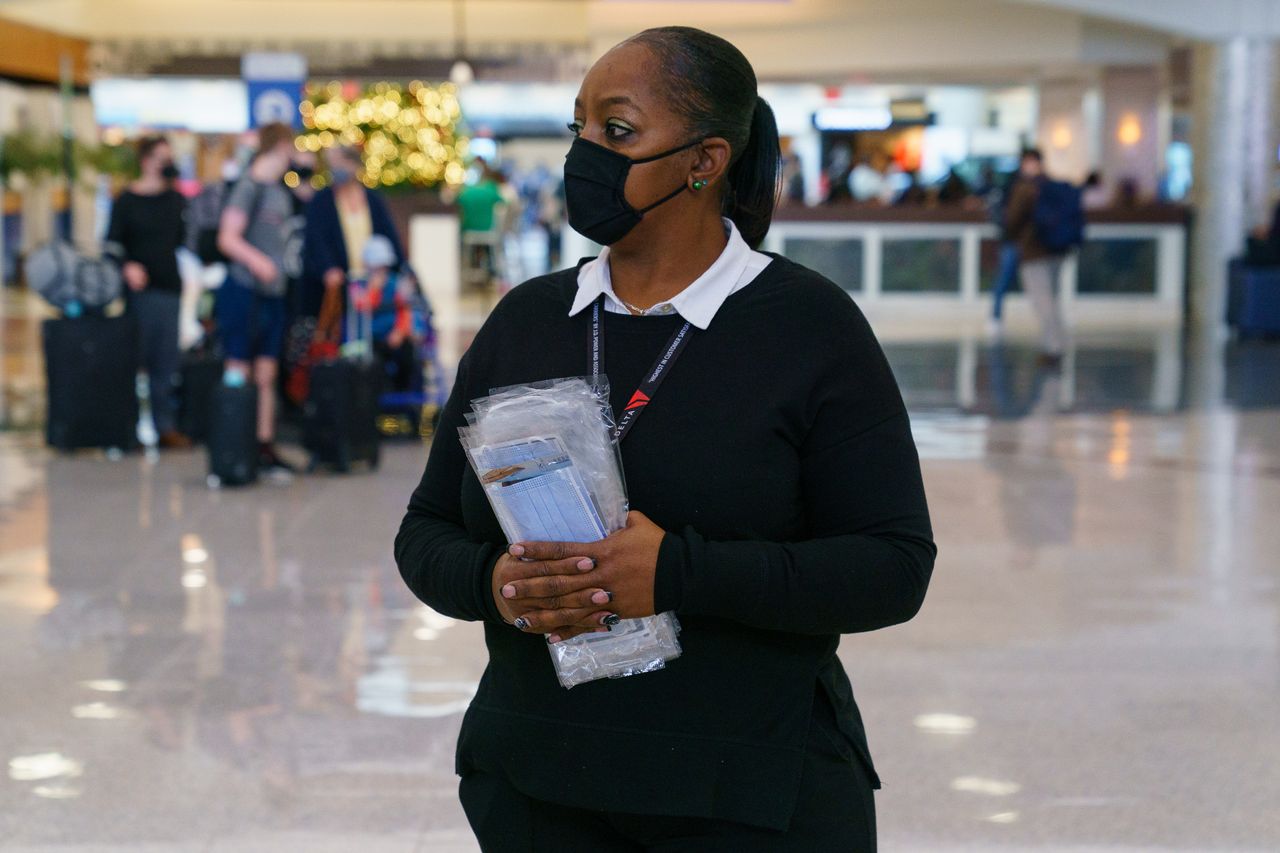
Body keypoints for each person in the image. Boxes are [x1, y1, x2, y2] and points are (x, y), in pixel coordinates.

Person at [395, 26, 935, 852]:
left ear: (704, 159)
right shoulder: (527, 321)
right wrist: (498, 582)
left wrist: (680, 571)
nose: (585, 154)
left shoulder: (807, 326)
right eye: (579, 127)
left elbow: (891, 568)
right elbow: (425, 530)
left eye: (616, 131)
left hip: (747, 791)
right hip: (540, 784)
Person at [215, 122, 301, 476]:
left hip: (273, 295)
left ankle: (264, 445)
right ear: (281, 146)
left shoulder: (280, 193)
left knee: (267, 371)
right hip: (244, 292)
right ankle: (234, 443)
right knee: (238, 366)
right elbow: (227, 238)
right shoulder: (247, 188)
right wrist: (257, 261)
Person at [104, 135, 192, 450]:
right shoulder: (126, 200)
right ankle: (128, 429)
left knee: (166, 361)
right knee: (134, 359)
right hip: (139, 293)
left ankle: (165, 425)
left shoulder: (175, 200)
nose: (166, 164)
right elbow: (111, 245)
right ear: (146, 161)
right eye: (161, 157)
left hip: (169, 288)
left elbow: (185, 241)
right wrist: (127, 266)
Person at [301, 145, 406, 319]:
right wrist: (328, 269)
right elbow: (315, 240)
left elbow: (388, 235)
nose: (337, 169)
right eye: (333, 164)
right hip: (340, 283)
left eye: (341, 163)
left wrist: (388, 269)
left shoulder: (373, 199)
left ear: (355, 165)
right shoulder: (322, 200)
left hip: (374, 281)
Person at [1003, 148, 1070, 367]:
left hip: (1034, 253)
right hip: (1057, 252)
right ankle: (1055, 344)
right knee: (1052, 300)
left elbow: (1012, 220)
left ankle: (1053, 347)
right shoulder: (1053, 185)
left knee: (1043, 302)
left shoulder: (1026, 188)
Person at [351, 234, 426, 393]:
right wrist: (373, 290)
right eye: (376, 267)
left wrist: (399, 331)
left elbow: (406, 310)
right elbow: (361, 309)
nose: (380, 272)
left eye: (383, 267)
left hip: (394, 337)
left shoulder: (396, 283)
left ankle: (403, 395)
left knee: (408, 356)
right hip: (370, 340)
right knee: (372, 364)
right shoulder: (358, 286)